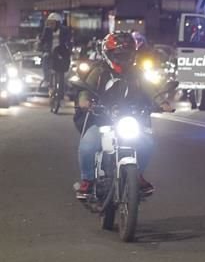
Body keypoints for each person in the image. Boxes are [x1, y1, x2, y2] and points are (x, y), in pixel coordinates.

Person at [74, 32, 157, 200]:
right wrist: (85, 101)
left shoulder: (138, 73)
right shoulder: (98, 71)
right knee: (88, 146)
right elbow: (85, 89)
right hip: (102, 119)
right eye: (118, 55)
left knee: (147, 143)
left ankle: (137, 175)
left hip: (130, 119)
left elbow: (152, 91)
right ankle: (87, 180)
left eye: (126, 54)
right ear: (108, 54)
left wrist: (161, 102)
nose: (122, 58)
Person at [37, 13, 72, 93]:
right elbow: (43, 40)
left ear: (58, 23)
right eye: (49, 23)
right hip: (50, 51)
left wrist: (69, 49)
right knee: (45, 59)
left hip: (61, 52)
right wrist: (40, 46)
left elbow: (69, 41)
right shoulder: (47, 30)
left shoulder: (65, 30)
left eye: (52, 23)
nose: (50, 25)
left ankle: (62, 90)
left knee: (63, 69)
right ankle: (47, 79)